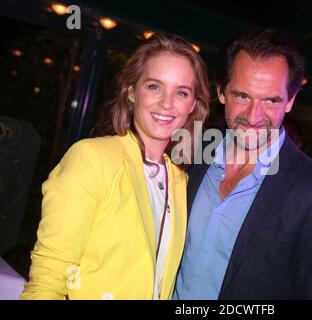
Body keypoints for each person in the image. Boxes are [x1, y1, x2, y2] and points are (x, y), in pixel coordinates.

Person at [20, 33, 210, 300]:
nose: (167, 103)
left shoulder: (180, 180)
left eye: (181, 92)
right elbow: (48, 277)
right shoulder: (92, 158)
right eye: (154, 86)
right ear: (132, 92)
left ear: (192, 105)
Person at [174, 27, 312, 300]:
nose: (254, 116)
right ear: (221, 91)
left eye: (270, 100)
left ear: (290, 101)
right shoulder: (190, 156)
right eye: (242, 96)